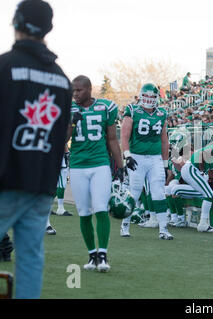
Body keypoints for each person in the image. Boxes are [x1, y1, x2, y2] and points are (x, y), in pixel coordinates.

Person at [0, 0, 71, 298]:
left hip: (6, 178)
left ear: (16, 22)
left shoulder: (5, 66)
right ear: (49, 29)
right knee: (30, 259)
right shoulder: (62, 79)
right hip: (42, 182)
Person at [68, 75, 124, 273]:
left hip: (100, 164)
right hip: (77, 165)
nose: (75, 94)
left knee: (100, 207)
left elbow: (112, 140)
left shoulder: (106, 107)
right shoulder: (69, 109)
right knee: (83, 212)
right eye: (73, 90)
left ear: (89, 90)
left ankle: (103, 254)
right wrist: (71, 124)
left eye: (79, 90)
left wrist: (120, 166)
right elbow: (63, 139)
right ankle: (92, 255)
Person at [119, 83, 172, 240]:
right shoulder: (133, 110)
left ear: (157, 98)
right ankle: (125, 225)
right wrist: (127, 155)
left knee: (158, 191)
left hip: (155, 158)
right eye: (146, 96)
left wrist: (165, 163)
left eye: (152, 96)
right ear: (141, 96)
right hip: (137, 157)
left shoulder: (162, 113)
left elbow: (164, 140)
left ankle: (163, 229)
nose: (149, 99)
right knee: (135, 192)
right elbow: (124, 135)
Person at [171, 143, 213, 233]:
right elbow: (202, 154)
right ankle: (203, 224)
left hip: (192, 170)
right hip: (192, 169)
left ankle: (176, 190)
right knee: (209, 195)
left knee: (208, 194)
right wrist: (201, 170)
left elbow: (211, 180)